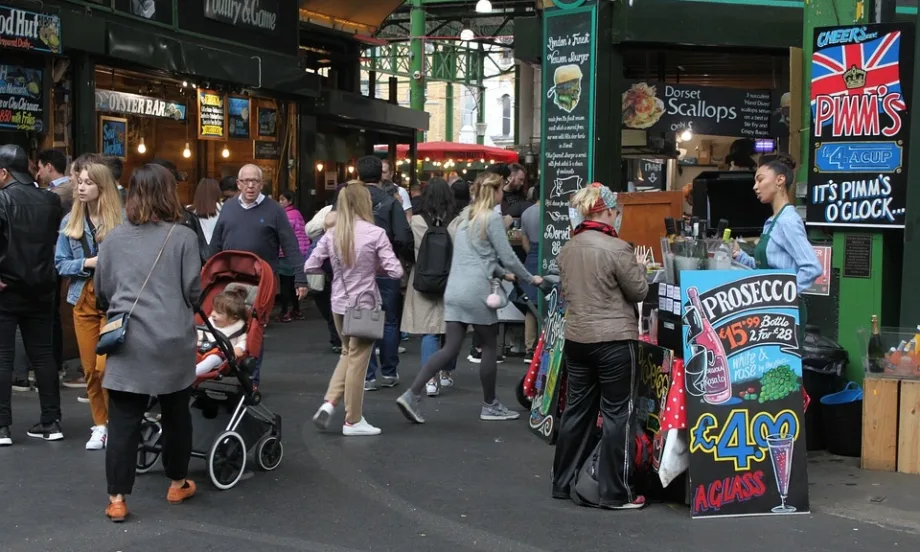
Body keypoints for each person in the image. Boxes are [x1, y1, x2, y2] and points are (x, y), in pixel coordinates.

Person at [94, 163, 201, 522]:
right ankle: (177, 482)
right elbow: (193, 291)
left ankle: (118, 498)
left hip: (128, 340)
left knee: (123, 421)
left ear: (132, 194)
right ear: (169, 193)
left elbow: (102, 291)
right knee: (176, 415)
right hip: (172, 339)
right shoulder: (183, 237)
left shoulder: (113, 239)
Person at [396, 172, 542, 424]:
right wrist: (529, 278)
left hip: (454, 290)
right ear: (495, 192)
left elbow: (477, 257)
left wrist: (502, 273)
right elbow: (506, 255)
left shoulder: (465, 218)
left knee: (450, 347)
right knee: (488, 345)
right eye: (500, 190)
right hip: (477, 292)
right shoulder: (491, 219)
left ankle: (412, 393)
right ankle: (490, 404)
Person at [551, 183, 649, 510]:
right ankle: (615, 493)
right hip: (614, 341)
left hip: (577, 340)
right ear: (605, 211)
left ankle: (562, 482)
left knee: (576, 411)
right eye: (615, 210)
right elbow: (638, 292)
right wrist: (641, 268)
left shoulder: (568, 248)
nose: (618, 216)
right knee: (618, 413)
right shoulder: (617, 248)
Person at [308, 182, 404, 436]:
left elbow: (311, 265)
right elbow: (396, 270)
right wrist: (375, 268)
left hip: (338, 302)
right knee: (358, 363)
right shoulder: (375, 233)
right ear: (365, 204)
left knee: (347, 355)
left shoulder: (332, 234)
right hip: (364, 305)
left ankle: (330, 403)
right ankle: (353, 420)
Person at [211, 164, 306, 387]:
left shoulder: (274, 209)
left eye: (255, 181)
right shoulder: (228, 208)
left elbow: (291, 245)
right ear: (238, 184)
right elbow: (216, 243)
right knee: (225, 324)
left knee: (254, 328)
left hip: (262, 280)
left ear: (262, 184)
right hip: (231, 279)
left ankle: (251, 378)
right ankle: (226, 369)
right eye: (246, 181)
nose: (250, 185)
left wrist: (300, 278)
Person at [55, 157, 125, 450]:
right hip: (83, 299)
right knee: (88, 369)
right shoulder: (70, 221)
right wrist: (87, 262)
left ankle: (118, 423)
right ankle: (101, 424)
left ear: (102, 186)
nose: (80, 188)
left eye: (87, 183)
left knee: (105, 367)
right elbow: (60, 264)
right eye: (79, 182)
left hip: (112, 300)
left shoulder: (120, 222)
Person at [331, 156, 413, 391]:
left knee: (359, 319)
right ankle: (389, 372)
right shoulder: (390, 201)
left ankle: (367, 375)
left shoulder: (347, 199)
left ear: (358, 173)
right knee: (388, 320)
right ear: (382, 174)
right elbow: (403, 236)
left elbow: (334, 226)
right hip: (385, 267)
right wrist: (398, 256)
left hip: (353, 267)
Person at [0, 145, 64, 446]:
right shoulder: (50, 200)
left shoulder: (2, 199)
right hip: (42, 286)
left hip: (6, 287)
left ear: (3, 172)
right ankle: (51, 421)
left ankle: (2, 427)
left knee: (2, 357)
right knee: (43, 354)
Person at [733, 153, 821, 337]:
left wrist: (783, 294)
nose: (755, 186)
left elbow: (812, 267)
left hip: (785, 314)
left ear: (780, 180)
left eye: (760, 179)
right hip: (769, 311)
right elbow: (767, 270)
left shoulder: (788, 221)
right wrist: (739, 256)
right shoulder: (772, 221)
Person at [401, 178, 460, 397]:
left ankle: (429, 380)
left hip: (423, 279)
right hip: (452, 278)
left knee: (429, 332)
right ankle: (446, 373)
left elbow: (406, 247)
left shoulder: (416, 221)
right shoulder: (457, 221)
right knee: (452, 328)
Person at [196, 288, 249, 376]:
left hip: (220, 355)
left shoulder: (238, 330)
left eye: (219, 312)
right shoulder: (209, 323)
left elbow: (243, 341)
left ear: (233, 318)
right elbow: (197, 335)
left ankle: (192, 374)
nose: (213, 314)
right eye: (213, 310)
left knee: (212, 359)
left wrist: (239, 348)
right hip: (200, 350)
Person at [277, 191, 310, 322]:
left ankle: (285, 311)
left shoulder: (287, 216)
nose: (280, 202)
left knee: (285, 284)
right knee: (294, 284)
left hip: (287, 253)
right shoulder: (298, 214)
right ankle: (296, 310)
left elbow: (283, 235)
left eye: (282, 199)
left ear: (289, 201)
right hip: (299, 252)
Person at [519, 189, 541, 360]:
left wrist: (531, 254)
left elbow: (524, 241)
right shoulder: (551, 211)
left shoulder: (526, 213)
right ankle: (544, 345)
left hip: (532, 255)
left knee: (531, 305)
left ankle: (529, 347)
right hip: (549, 254)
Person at [37, 148, 73, 213]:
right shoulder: (53, 188)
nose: (38, 173)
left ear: (48, 167)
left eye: (39, 168)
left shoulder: (66, 188)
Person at [190, 178, 222, 245]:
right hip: (217, 251)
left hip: (195, 250)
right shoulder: (223, 209)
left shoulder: (189, 211)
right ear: (217, 192)